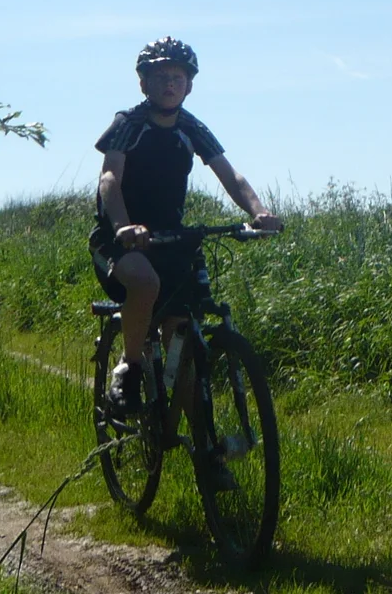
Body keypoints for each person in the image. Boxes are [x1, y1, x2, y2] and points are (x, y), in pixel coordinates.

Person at [92, 37, 282, 410]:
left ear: (189, 86)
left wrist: (258, 212)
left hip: (171, 240)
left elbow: (231, 176)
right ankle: (129, 368)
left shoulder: (191, 127)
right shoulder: (128, 124)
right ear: (143, 83)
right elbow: (110, 177)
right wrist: (123, 227)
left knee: (182, 334)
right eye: (160, 76)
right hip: (119, 239)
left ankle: (188, 437)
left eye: (177, 77)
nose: (169, 84)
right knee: (145, 283)